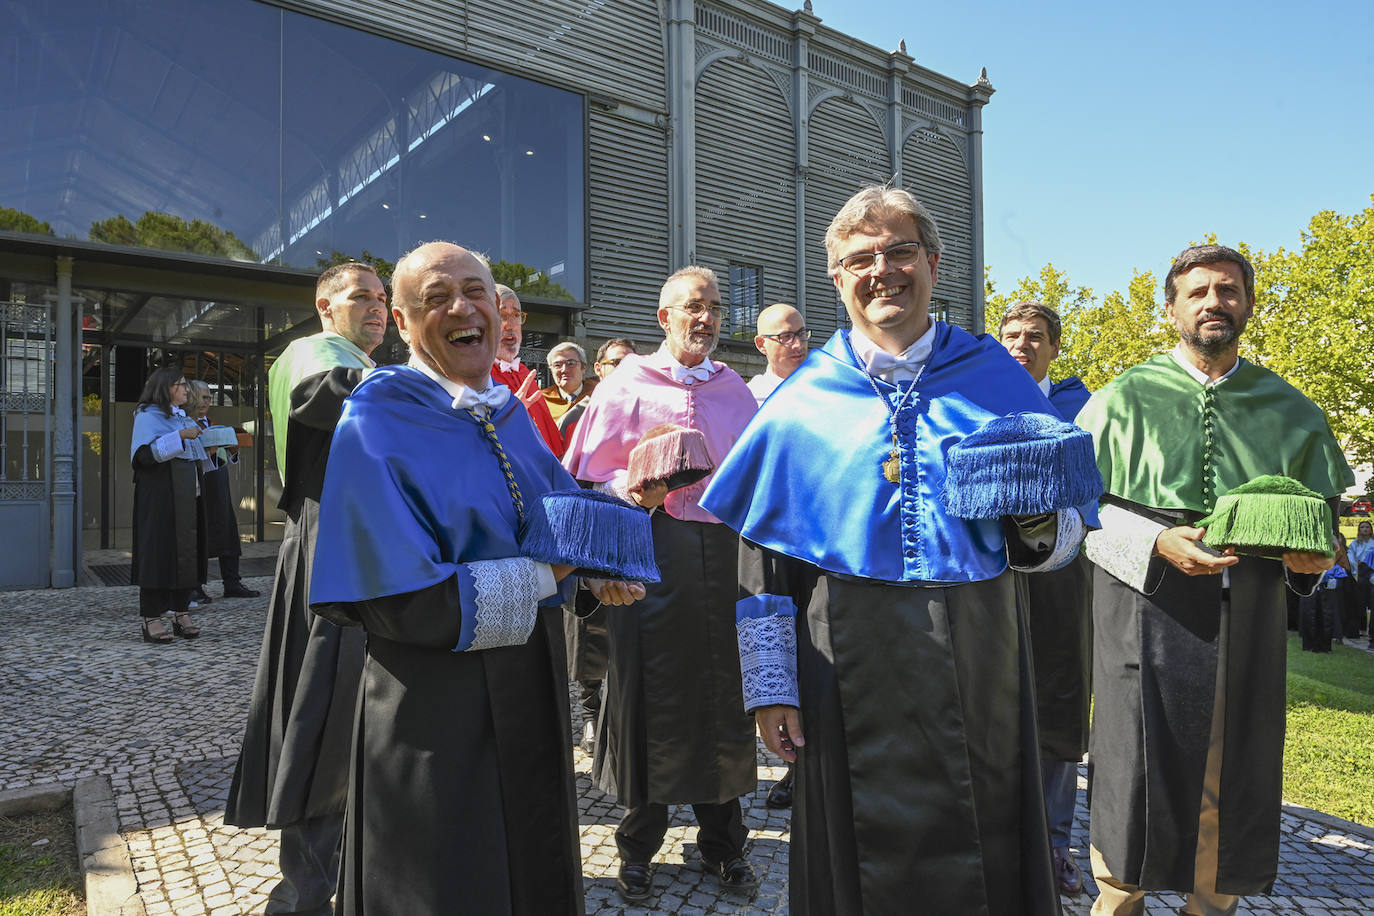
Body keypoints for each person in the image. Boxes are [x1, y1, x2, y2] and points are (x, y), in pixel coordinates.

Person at [699, 185, 1085, 916]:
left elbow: (1060, 539)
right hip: (842, 656)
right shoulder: (803, 399)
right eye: (860, 259)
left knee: (988, 839)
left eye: (900, 251)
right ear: (837, 278)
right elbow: (763, 564)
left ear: (933, 264)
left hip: (981, 648)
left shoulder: (996, 377)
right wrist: (771, 688)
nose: (882, 270)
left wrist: (1033, 516)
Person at [307, 241, 641, 915]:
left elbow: (553, 516)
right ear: (403, 323)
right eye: (436, 298)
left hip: (530, 682)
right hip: (435, 703)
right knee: (449, 879)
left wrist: (597, 570)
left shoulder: (509, 413)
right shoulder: (376, 419)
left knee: (533, 862)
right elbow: (400, 599)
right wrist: (555, 569)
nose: (462, 308)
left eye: (476, 292)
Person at [1076, 244, 1353, 916]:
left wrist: (1313, 560)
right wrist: (1154, 540)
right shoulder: (1120, 399)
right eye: (1197, 292)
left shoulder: (1290, 410)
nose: (1213, 303)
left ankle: (1212, 908)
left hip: (1245, 613)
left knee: (1229, 775)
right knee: (1134, 770)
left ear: (1248, 304)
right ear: (1171, 308)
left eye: (1228, 290)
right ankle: (1117, 906)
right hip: (1142, 605)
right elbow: (1079, 513)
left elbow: (1321, 524)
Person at [562, 266, 761, 904]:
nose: (706, 318)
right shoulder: (626, 383)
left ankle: (725, 844)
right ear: (664, 317)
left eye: (715, 307)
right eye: (693, 307)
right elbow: (588, 478)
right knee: (646, 697)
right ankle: (637, 846)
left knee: (723, 697)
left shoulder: (734, 389)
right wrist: (637, 484)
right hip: (647, 552)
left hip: (724, 559)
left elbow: (758, 476)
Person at [224, 261, 387, 916]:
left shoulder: (358, 362)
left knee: (357, 718)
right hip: (334, 547)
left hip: (355, 545)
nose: (377, 308)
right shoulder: (315, 355)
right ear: (325, 307)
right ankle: (301, 902)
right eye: (361, 297)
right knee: (327, 717)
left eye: (382, 298)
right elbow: (330, 397)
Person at [999, 300, 1094, 895]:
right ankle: (997, 836)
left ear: (1055, 347)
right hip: (991, 577)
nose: (1021, 345)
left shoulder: (1084, 412)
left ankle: (1056, 843)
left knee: (1058, 702)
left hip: (1062, 577)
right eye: (1011, 335)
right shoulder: (978, 404)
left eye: (1035, 336)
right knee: (990, 698)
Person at [565, 337, 638, 753]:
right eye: (615, 363)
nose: (623, 370)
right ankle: (591, 714)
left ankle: (624, 714)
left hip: (633, 540)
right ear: (600, 369)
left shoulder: (644, 411)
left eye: (630, 362)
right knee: (588, 637)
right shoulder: (578, 416)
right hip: (589, 539)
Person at [130, 368, 208, 643]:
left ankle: (181, 612)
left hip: (187, 497)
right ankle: (151, 618)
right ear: (165, 388)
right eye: (181, 385)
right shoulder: (147, 415)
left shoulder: (182, 417)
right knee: (157, 553)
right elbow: (142, 457)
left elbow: (195, 458)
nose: (187, 390)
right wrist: (181, 436)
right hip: (160, 499)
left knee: (186, 554)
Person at [186, 380, 259, 600]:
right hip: (196, 485)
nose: (205, 402)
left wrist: (233, 450)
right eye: (200, 397)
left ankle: (232, 582)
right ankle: (194, 585)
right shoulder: (184, 425)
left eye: (208, 397)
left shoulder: (212, 424)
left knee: (227, 531)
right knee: (198, 534)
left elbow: (224, 457)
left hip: (219, 484)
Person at [490, 284, 564, 456]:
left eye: (516, 315)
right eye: (502, 316)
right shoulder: (476, 375)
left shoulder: (525, 373)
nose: (511, 326)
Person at [747, 303, 810, 406]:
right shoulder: (753, 401)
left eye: (802, 334)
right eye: (786, 337)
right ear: (761, 344)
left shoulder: (826, 388)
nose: (798, 345)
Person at [540, 341, 597, 436]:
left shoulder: (597, 394)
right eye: (557, 365)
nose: (564, 370)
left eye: (571, 363)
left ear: (583, 368)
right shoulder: (541, 400)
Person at [1350, 520, 1374, 642]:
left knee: (1372, 601)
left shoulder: (1373, 543)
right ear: (1359, 529)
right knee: (1361, 601)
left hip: (1372, 571)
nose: (1365, 529)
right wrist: (1355, 565)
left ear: (1371, 529)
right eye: (1362, 527)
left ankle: (1372, 630)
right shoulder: (1355, 544)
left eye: (1367, 527)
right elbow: (1350, 556)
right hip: (1360, 572)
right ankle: (1362, 628)